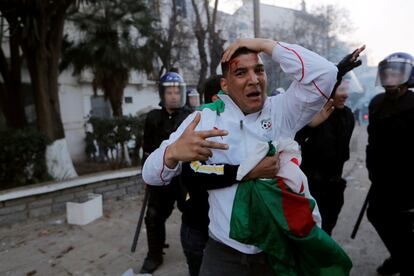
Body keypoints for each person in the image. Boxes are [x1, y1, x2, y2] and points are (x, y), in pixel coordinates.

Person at [142, 38, 338, 275]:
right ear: (225, 85)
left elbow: (326, 74)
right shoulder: (204, 119)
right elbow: (150, 175)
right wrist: (172, 153)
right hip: (223, 251)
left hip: (275, 248)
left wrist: (265, 45)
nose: (254, 79)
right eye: (241, 72)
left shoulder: (282, 110)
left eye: (259, 70)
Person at [295, 46, 365, 235]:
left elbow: (348, 151)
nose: (345, 93)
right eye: (340, 88)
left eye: (347, 88)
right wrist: (310, 125)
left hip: (334, 189)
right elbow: (292, 139)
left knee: (327, 233)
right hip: (310, 190)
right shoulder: (311, 112)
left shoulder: (348, 116)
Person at [365, 52, 414, 276]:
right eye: (388, 71)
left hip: (407, 180)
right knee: (376, 214)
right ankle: (401, 257)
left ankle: (402, 261)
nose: (391, 75)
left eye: (397, 71)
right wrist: (372, 170)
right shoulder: (376, 104)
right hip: (382, 179)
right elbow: (372, 141)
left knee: (404, 223)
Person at [140, 71, 192, 274]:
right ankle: (154, 254)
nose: (173, 96)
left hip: (185, 178)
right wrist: (145, 176)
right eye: (169, 92)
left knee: (193, 214)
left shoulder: (190, 116)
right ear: (162, 94)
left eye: (176, 92)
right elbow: (146, 149)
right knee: (153, 216)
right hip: (161, 178)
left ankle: (195, 252)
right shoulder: (152, 117)